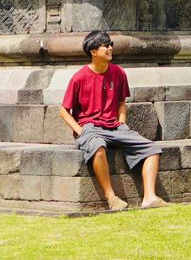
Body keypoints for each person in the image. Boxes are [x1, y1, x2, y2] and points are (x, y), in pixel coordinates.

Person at [58, 29, 165, 210]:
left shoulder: (118, 73)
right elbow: (63, 111)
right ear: (93, 51)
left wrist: (122, 121)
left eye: (110, 45)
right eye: (105, 45)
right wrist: (80, 131)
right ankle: (111, 197)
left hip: (115, 127)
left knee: (152, 149)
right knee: (98, 148)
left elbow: (121, 102)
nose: (110, 48)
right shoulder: (79, 78)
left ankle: (149, 197)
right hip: (90, 127)